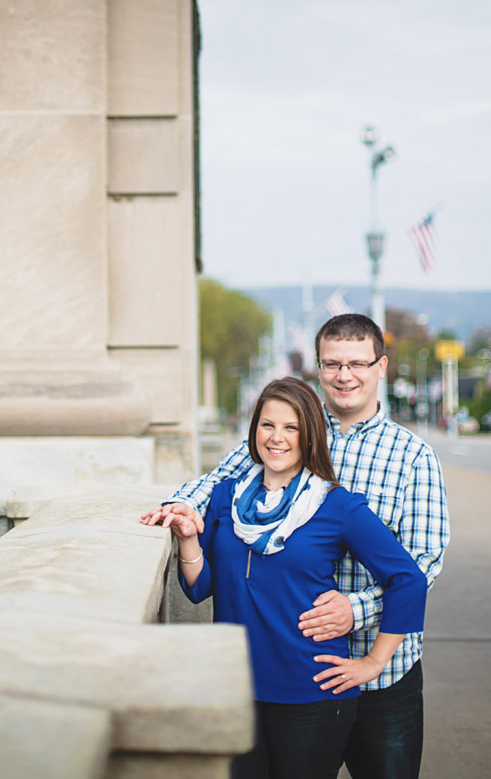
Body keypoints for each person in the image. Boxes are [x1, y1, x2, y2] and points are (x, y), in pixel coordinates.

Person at [141, 313, 449, 779]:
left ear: (380, 368)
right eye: (332, 363)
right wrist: (178, 510)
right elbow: (215, 486)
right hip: (276, 667)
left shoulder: (412, 457)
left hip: (381, 671)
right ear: (319, 368)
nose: (344, 375)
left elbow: (421, 567)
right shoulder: (288, 423)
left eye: (357, 363)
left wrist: (357, 613)